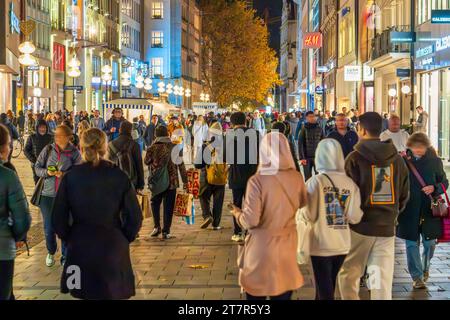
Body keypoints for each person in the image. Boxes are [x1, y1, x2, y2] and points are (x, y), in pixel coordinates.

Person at [52, 128, 142, 300]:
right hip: (113, 248)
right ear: (105, 146)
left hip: (79, 247)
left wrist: (70, 237)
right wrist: (123, 237)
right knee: (112, 293)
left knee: (81, 293)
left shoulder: (71, 178)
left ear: (81, 147)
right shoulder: (119, 176)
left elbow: (58, 218)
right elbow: (135, 217)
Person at [338, 112, 410, 300]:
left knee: (350, 274)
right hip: (386, 227)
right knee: (380, 278)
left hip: (359, 228)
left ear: (361, 129)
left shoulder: (354, 158)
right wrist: (392, 213)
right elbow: (404, 194)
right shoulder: (398, 160)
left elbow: (345, 196)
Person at [230, 132, 307, 300]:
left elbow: (251, 221)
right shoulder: (296, 177)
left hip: (261, 248)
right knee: (282, 294)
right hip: (287, 246)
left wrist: (237, 213)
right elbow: (303, 203)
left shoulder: (257, 181)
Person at [301, 139, 363, 300]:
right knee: (328, 285)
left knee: (324, 289)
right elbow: (355, 217)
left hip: (320, 243)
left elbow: (309, 215)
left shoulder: (315, 182)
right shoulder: (349, 183)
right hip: (342, 243)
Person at [397, 133, 448, 289]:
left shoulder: (435, 161)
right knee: (411, 244)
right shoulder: (403, 161)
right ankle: (417, 277)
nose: (418, 150)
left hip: (429, 208)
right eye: (415, 147)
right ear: (409, 146)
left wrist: (435, 188)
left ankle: (425, 268)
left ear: (427, 146)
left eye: (421, 147)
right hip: (409, 209)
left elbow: (444, 181)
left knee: (430, 243)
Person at [34, 125, 82, 267]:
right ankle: (51, 250)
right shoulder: (48, 150)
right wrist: (47, 173)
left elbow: (79, 172)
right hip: (47, 195)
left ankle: (65, 256)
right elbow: (37, 167)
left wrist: (65, 175)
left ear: (68, 137)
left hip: (66, 196)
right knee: (49, 228)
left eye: (61, 135)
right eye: (56, 135)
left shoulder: (74, 152)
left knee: (66, 226)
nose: (57, 137)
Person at [0, 124, 31, 300]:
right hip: (2, 248)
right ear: (3, 147)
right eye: (8, 144)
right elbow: (22, 216)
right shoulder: (7, 175)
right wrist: (19, 236)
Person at [145, 126, 188, 240]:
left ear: (155, 135)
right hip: (171, 181)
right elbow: (181, 165)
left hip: (157, 181)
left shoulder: (152, 148)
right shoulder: (175, 147)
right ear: (168, 134)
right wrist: (185, 181)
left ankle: (156, 226)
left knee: (155, 202)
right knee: (168, 206)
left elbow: (146, 161)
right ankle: (166, 231)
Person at [225, 112, 260, 242]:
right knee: (252, 203)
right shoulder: (255, 134)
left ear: (232, 123)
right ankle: (252, 231)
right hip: (253, 174)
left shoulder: (230, 135)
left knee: (237, 203)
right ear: (246, 121)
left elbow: (225, 156)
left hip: (236, 174)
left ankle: (238, 231)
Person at [195, 122, 227, 230]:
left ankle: (207, 216)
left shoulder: (206, 145)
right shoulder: (226, 146)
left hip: (206, 176)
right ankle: (216, 224)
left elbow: (198, 164)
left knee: (203, 196)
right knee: (218, 201)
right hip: (221, 177)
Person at [107, 121, 145, 193]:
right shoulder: (134, 145)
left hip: (114, 182)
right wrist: (141, 184)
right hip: (130, 182)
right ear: (130, 131)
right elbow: (139, 165)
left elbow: (108, 165)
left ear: (119, 130)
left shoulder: (110, 145)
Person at [24, 120, 53, 184]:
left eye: (44, 127)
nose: (42, 129)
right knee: (37, 183)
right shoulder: (32, 137)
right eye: (40, 127)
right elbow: (26, 150)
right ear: (37, 128)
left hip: (49, 165)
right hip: (36, 164)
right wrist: (33, 159)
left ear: (46, 128)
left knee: (49, 182)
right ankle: (38, 194)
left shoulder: (51, 137)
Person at [298, 111, 324, 180]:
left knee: (318, 177)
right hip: (306, 158)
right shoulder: (304, 129)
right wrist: (302, 157)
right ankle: (308, 190)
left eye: (314, 116)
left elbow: (323, 143)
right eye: (310, 117)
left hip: (317, 157)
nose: (312, 118)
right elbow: (300, 144)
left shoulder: (320, 128)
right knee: (308, 178)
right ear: (306, 118)